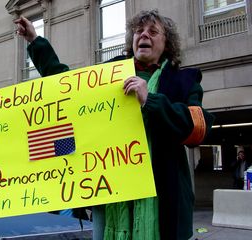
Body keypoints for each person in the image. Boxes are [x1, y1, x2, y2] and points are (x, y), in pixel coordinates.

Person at [15, 9, 214, 240]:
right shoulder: (110, 73)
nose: (144, 36)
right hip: (112, 195)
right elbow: (66, 85)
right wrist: (35, 41)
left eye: (153, 31)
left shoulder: (185, 80)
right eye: (139, 31)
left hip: (165, 198)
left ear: (166, 42)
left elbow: (198, 129)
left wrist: (151, 100)